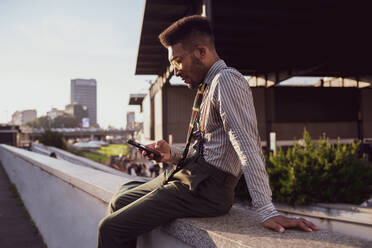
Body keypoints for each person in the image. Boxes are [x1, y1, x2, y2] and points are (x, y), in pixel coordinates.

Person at [97, 15, 318, 248]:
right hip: (191, 177)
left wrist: (266, 210)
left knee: (110, 228)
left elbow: (248, 147)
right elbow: (208, 149)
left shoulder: (227, 81)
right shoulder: (209, 85)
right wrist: (170, 154)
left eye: (178, 61)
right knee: (122, 195)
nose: (175, 71)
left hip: (204, 191)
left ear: (201, 51)